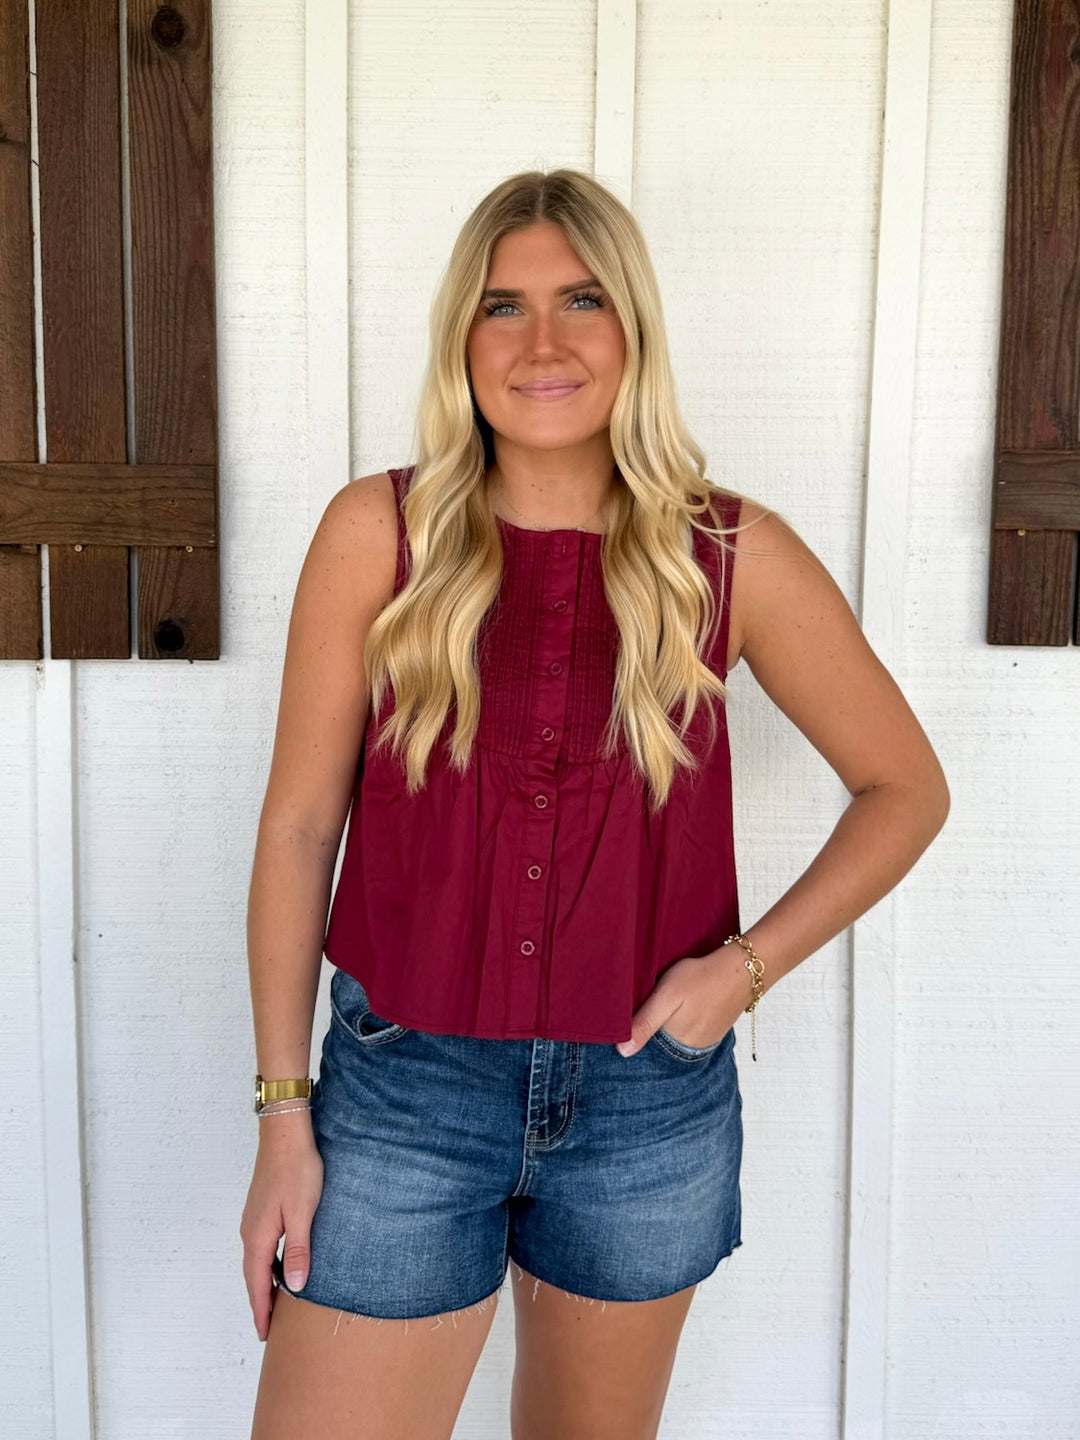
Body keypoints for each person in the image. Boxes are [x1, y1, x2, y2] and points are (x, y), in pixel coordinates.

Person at [241, 168, 949, 1440]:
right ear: (462, 339)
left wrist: (742, 972)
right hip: (406, 1095)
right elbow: (299, 829)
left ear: (634, 328)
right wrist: (283, 1114)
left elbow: (905, 789)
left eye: (581, 301)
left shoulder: (730, 556)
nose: (543, 344)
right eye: (502, 306)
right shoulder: (375, 536)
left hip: (644, 1105)